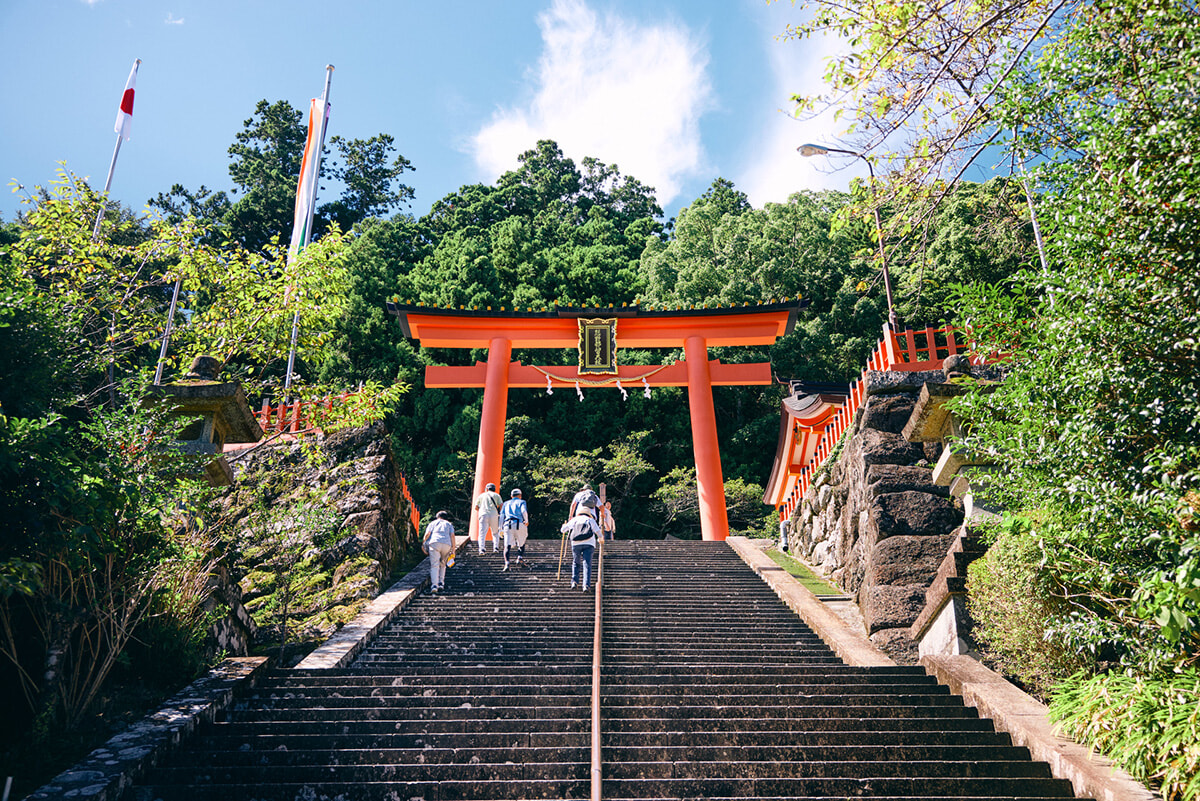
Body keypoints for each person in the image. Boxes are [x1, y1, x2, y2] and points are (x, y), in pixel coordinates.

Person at [561, 505, 600, 590]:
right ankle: (586, 585)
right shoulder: (590, 520)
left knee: (576, 562)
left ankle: (574, 582)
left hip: (576, 543)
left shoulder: (574, 520)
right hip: (589, 543)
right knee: (587, 564)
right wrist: (601, 539)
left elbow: (563, 530)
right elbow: (598, 532)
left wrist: (564, 525)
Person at [422, 510, 455, 593]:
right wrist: (453, 549)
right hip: (446, 544)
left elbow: (427, 534)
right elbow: (452, 535)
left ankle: (434, 585)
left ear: (437, 517)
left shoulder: (433, 523)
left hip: (435, 543)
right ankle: (441, 583)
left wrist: (423, 543)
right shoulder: (449, 524)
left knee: (434, 565)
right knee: (443, 564)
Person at [499, 488, 529, 572]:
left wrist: (500, 528)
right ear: (520, 495)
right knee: (521, 542)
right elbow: (523, 511)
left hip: (508, 524)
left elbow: (502, 516)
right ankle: (519, 557)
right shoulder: (522, 502)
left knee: (507, 545)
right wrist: (526, 521)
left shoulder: (506, 503)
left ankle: (507, 563)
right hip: (519, 523)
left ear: (511, 496)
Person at [473, 482, 503, 554]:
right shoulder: (497, 495)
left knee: (482, 533)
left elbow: (476, 507)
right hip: (494, 515)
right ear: (494, 489)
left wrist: (481, 510)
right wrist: (500, 512)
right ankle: (495, 548)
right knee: (495, 532)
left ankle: (482, 549)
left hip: (483, 514)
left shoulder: (481, 496)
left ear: (486, 489)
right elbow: (501, 505)